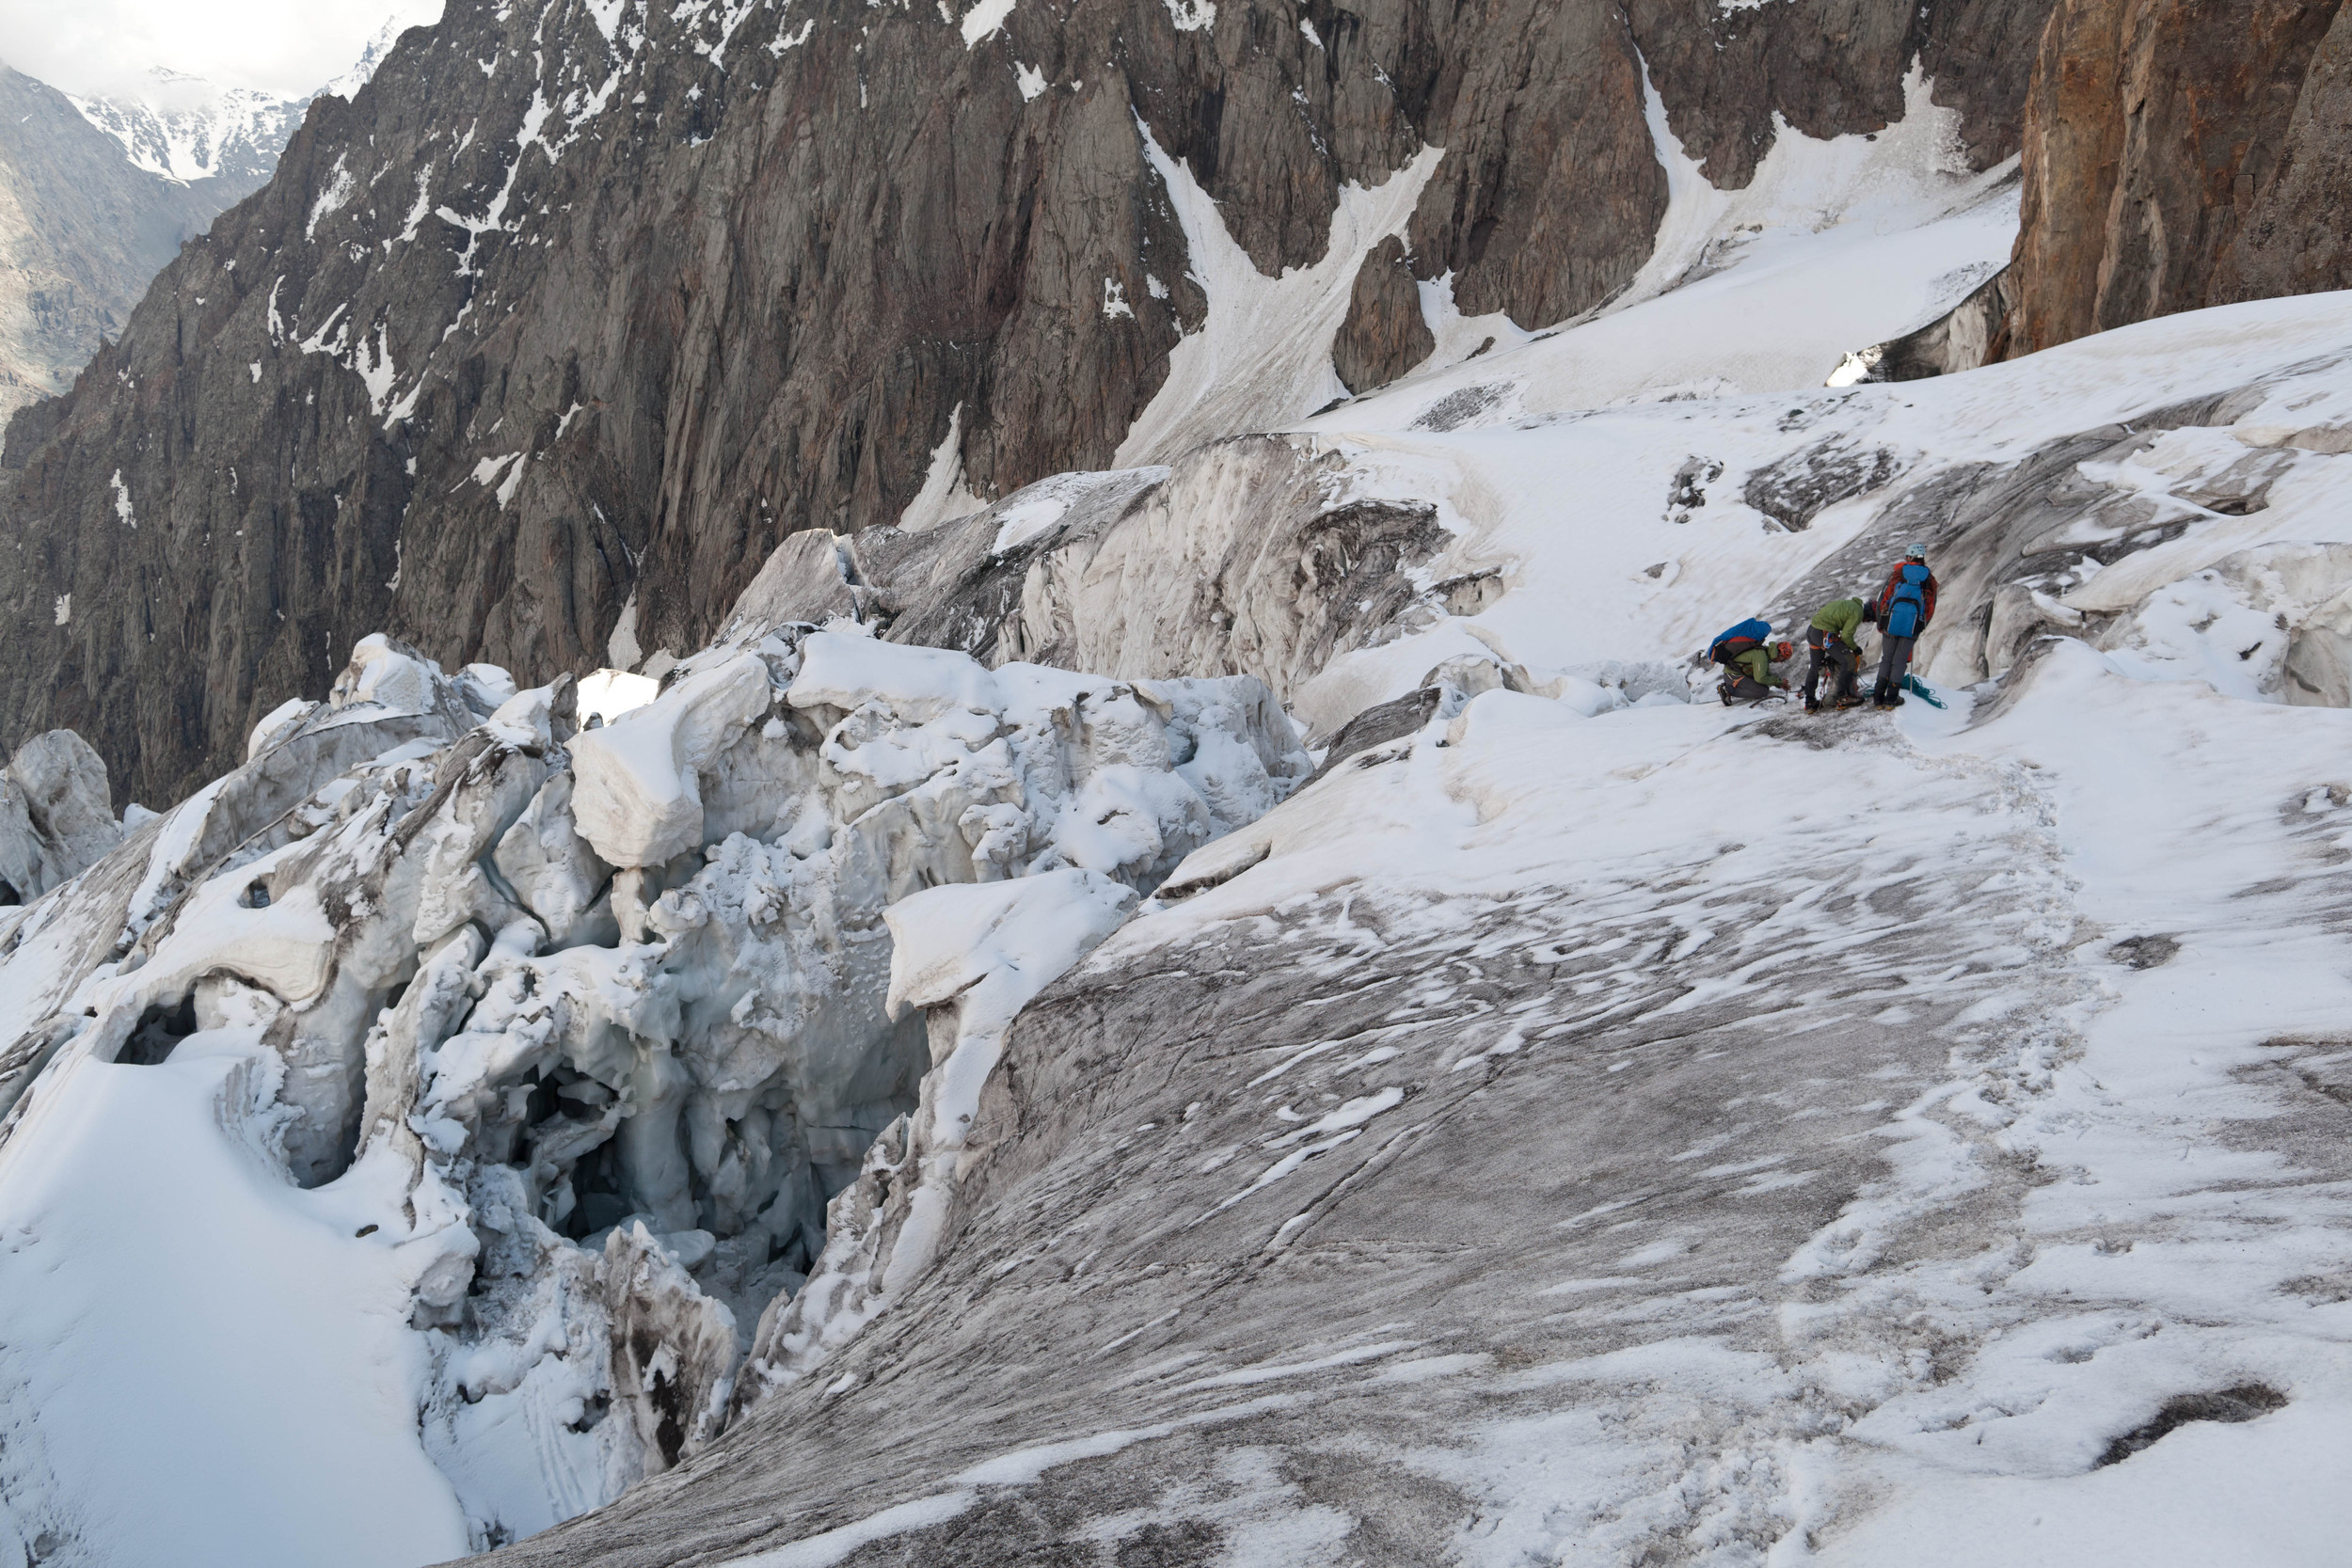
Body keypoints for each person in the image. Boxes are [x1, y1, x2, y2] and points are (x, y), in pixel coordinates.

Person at [1869, 546, 1937, 707]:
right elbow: (1930, 606)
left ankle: (1878, 699)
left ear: (1908, 557)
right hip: (1911, 627)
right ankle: (1891, 700)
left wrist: (1882, 622)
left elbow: (1884, 598)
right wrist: (1920, 626)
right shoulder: (1929, 579)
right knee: (1899, 662)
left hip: (1891, 624)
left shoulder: (1899, 573)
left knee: (1887, 659)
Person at [1803, 597, 1875, 712]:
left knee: (1815, 666)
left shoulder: (1848, 604)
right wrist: (1855, 648)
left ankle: (1809, 701)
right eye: (1868, 620)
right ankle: (1844, 696)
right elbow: (1846, 635)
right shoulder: (1858, 612)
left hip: (1813, 631)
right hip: (1824, 633)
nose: (1865, 622)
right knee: (1849, 661)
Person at [1707, 618, 1794, 704]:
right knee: (1761, 691)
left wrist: (1779, 683)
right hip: (1733, 675)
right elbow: (1761, 678)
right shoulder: (1761, 655)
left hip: (1733, 675)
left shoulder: (1763, 653)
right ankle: (1727, 690)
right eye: (1783, 659)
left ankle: (1729, 689)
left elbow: (1763, 675)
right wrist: (1779, 682)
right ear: (1779, 653)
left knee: (1763, 687)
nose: (1781, 662)